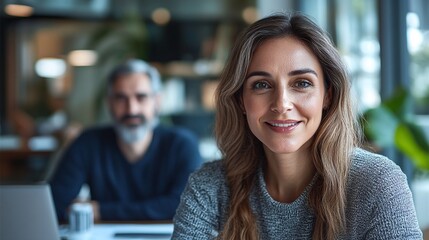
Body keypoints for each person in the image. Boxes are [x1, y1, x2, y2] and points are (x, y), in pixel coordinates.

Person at [172, 12, 423, 239]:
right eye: (261, 84)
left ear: (328, 95)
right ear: (240, 99)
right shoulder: (210, 187)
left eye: (301, 83)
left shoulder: (377, 183)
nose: (281, 104)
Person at [49, 59, 203, 222]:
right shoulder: (87, 144)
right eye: (121, 98)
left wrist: (102, 211)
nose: (132, 109)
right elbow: (54, 205)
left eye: (141, 97)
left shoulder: (183, 145)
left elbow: (187, 206)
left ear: (157, 101)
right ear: (109, 103)